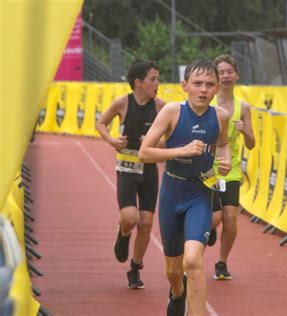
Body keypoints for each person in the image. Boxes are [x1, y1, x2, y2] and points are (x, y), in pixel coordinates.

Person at [139, 58, 231, 316]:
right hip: (171, 194)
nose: (203, 90)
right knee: (173, 270)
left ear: (216, 89)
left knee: (192, 260)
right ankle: (177, 293)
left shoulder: (220, 116)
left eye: (210, 85)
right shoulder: (171, 112)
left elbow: (223, 144)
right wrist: (183, 150)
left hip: (200, 195)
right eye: (197, 83)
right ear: (184, 86)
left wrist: (225, 161)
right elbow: (144, 154)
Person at [96, 59, 166, 289]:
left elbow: (173, 134)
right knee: (130, 218)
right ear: (138, 83)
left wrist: (158, 142)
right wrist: (112, 140)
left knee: (146, 223)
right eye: (153, 79)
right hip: (126, 168)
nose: (158, 83)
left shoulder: (161, 107)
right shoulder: (122, 103)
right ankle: (123, 233)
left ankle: (135, 268)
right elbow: (101, 123)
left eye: (158, 78)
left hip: (148, 170)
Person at [208, 54, 255, 281]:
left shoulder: (243, 107)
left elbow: (252, 144)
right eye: (221, 72)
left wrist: (244, 129)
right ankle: (211, 228)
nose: (226, 76)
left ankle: (222, 262)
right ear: (215, 77)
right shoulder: (207, 101)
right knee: (214, 219)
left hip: (231, 169)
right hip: (207, 168)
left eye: (229, 72)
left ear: (236, 75)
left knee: (230, 217)